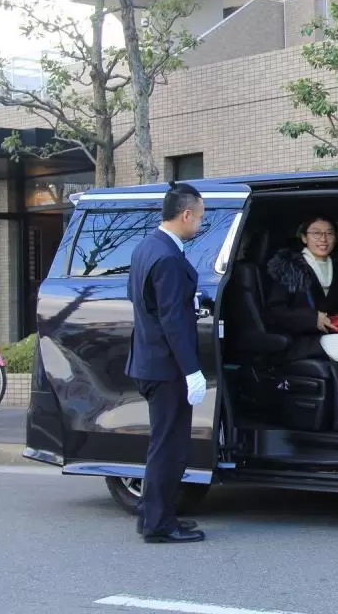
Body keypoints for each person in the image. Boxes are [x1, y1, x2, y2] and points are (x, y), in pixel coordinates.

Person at [125, 182, 208, 544]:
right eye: (200, 217)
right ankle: (160, 524)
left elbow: (146, 304)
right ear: (186, 214)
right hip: (166, 367)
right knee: (169, 448)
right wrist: (192, 371)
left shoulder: (147, 248)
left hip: (148, 361)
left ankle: (153, 515)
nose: (201, 224)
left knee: (162, 444)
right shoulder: (170, 258)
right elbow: (173, 321)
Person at [263, 215, 338, 402]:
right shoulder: (290, 269)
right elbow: (274, 313)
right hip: (300, 340)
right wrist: (312, 319)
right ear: (304, 238)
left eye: (329, 233)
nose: (323, 239)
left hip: (331, 334)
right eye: (316, 233)